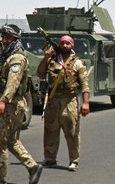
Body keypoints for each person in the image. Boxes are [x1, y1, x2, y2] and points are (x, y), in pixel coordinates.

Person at [0, 24, 43, 184]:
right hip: (12, 104)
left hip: (11, 105)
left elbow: (13, 83)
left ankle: (1, 177)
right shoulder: (9, 55)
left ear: (15, 39)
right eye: (3, 37)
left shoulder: (17, 58)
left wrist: (2, 101)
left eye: (8, 38)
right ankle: (32, 167)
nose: (4, 41)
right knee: (10, 140)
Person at [36, 34, 90, 172]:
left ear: (72, 45)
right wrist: (46, 57)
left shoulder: (77, 63)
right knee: (50, 130)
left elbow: (85, 84)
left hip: (69, 100)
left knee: (72, 131)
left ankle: (74, 160)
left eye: (68, 43)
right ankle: (49, 158)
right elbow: (40, 73)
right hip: (53, 100)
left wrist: (86, 103)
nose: (65, 46)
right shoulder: (53, 60)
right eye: (62, 43)